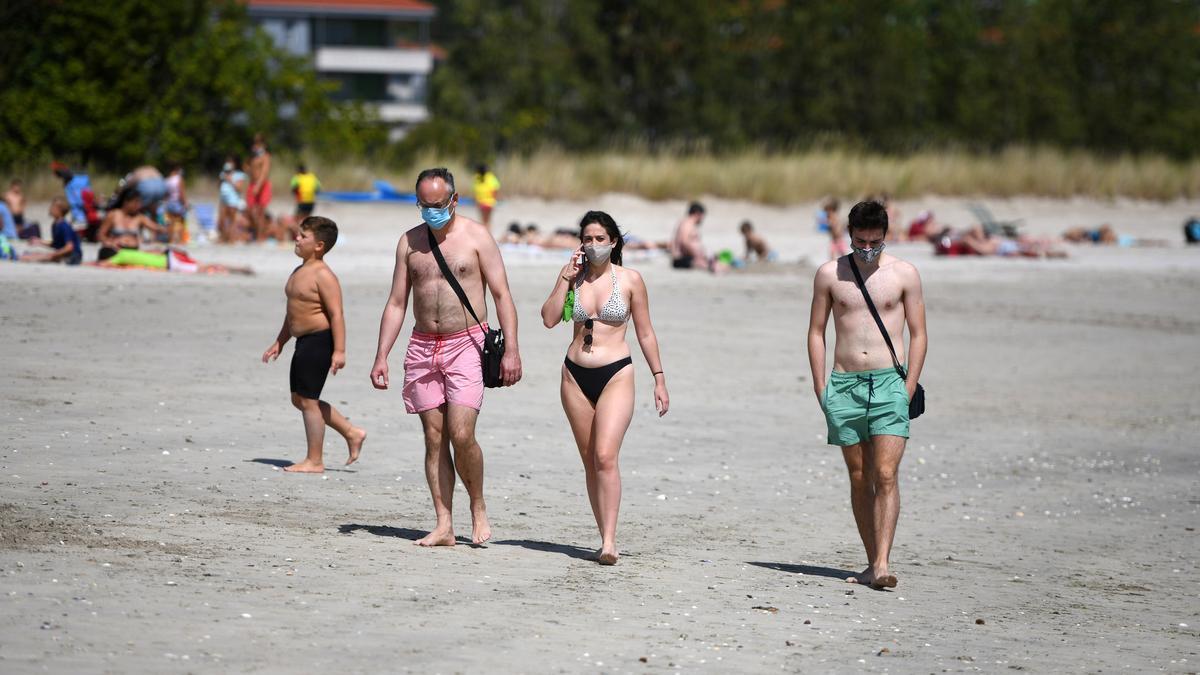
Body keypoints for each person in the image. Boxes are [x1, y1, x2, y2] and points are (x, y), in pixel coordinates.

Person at [370, 167, 523, 547]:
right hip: (423, 344)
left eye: (438, 204)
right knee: (434, 437)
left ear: (454, 200)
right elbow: (396, 302)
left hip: (467, 343)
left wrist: (512, 352)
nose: (430, 211)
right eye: (423, 204)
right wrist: (381, 356)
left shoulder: (477, 237)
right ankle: (443, 523)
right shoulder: (409, 243)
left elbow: (502, 295)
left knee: (461, 432)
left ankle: (478, 505)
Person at [807, 200, 927, 590]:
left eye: (875, 243)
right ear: (850, 235)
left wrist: (909, 385)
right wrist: (819, 385)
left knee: (886, 473)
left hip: (890, 381)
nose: (867, 250)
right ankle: (870, 558)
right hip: (844, 383)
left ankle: (882, 564)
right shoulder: (830, 274)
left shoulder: (905, 273)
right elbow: (816, 331)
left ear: (885, 236)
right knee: (860, 476)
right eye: (861, 242)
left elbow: (919, 333)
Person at [539, 211, 669, 565]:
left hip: (616, 373)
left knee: (605, 456)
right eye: (588, 239)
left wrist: (659, 377)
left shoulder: (630, 280)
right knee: (589, 460)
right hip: (574, 376)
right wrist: (563, 281)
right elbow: (550, 318)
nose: (593, 245)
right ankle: (601, 534)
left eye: (600, 239)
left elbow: (645, 331)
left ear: (613, 242)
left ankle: (610, 542)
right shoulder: (573, 278)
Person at [261, 216, 366, 472]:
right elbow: (293, 312)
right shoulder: (299, 271)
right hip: (302, 341)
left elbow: (336, 314)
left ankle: (315, 460)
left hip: (320, 341)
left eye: (303, 236)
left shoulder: (324, 275)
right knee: (299, 398)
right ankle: (351, 432)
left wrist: (339, 350)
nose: (296, 238)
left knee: (308, 401)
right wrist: (280, 341)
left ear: (319, 245)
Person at [96, 192, 164, 260]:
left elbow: (156, 228)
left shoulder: (139, 217)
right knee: (105, 252)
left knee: (157, 254)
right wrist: (109, 242)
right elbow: (101, 235)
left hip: (132, 251)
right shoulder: (113, 215)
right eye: (135, 203)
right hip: (115, 249)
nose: (138, 206)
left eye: (139, 203)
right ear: (126, 202)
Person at [22, 198, 81, 265]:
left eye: (53, 207)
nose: (50, 209)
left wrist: (53, 255)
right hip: (63, 254)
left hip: (73, 257)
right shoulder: (55, 225)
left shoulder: (64, 226)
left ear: (59, 210)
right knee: (35, 253)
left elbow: (69, 247)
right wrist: (39, 241)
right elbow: (56, 244)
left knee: (39, 256)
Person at [247, 133, 272, 241]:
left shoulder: (265, 157)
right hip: (252, 184)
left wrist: (258, 185)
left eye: (257, 143)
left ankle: (260, 236)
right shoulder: (253, 157)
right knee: (250, 211)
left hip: (262, 185)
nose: (255, 145)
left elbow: (264, 173)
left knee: (260, 212)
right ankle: (257, 233)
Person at [669, 201, 709, 269]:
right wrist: (697, 255)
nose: (702, 219)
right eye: (702, 216)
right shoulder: (687, 224)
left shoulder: (688, 223)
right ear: (697, 213)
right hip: (683, 259)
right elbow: (684, 241)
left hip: (688, 258)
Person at [218, 158, 248, 243]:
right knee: (222, 219)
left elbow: (240, 188)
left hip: (233, 200)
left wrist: (230, 180)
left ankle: (232, 238)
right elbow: (219, 186)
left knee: (232, 220)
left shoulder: (239, 175)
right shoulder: (222, 174)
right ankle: (223, 237)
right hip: (223, 199)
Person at [164, 164, 189, 245]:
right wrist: (185, 203)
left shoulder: (167, 180)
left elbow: (166, 194)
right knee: (181, 221)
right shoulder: (179, 179)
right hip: (177, 203)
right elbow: (181, 193)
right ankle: (181, 240)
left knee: (171, 222)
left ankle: (170, 240)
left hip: (169, 203)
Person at [472, 163, 500, 232]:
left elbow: (475, 190)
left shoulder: (477, 178)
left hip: (480, 202)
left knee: (483, 221)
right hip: (489, 202)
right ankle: (488, 236)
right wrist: (495, 198)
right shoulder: (490, 177)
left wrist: (476, 201)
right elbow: (495, 189)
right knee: (488, 221)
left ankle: (484, 235)